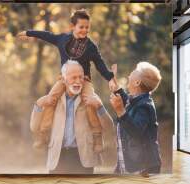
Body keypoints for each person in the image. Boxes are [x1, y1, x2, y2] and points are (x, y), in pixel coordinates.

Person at [18, 9, 118, 152]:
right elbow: (46, 35)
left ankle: (97, 136)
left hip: (84, 80)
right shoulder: (63, 39)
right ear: (73, 27)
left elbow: (100, 64)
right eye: (81, 27)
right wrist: (28, 32)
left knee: (89, 100)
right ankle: (43, 134)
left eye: (87, 27)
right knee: (51, 99)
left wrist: (110, 77)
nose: (85, 30)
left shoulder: (90, 46)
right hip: (64, 79)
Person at [30, 60, 115, 174]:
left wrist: (100, 107)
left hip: (84, 159)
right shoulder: (53, 99)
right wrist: (39, 104)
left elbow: (109, 128)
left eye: (80, 77)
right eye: (73, 77)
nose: (78, 81)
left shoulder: (91, 98)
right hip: (57, 158)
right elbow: (34, 127)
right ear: (63, 80)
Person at [109, 62, 162, 176]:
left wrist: (120, 111)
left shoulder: (145, 106)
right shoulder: (134, 100)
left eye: (135, 71)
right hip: (129, 165)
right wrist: (115, 85)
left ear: (137, 82)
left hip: (143, 168)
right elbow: (126, 98)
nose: (129, 74)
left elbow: (136, 132)